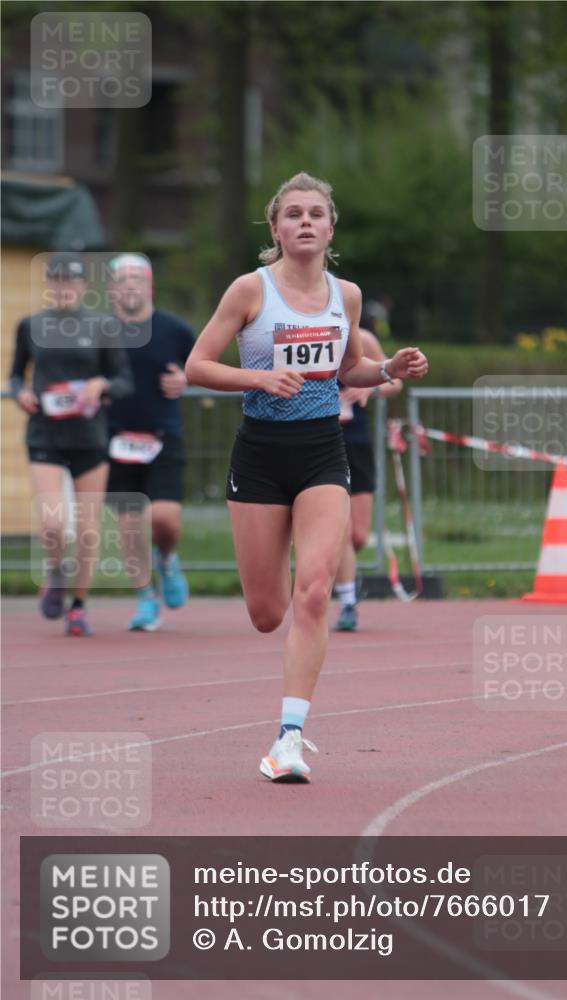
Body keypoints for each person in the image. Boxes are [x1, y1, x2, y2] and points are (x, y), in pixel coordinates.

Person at [185, 172, 428, 783]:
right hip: (261, 456)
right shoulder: (250, 290)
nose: (304, 223)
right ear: (275, 228)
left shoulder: (345, 295)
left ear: (330, 227)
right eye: (292, 214)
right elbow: (197, 365)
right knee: (268, 613)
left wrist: (389, 368)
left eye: (315, 214)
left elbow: (352, 371)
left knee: (314, 592)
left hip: (324, 450)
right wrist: (258, 378)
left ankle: (289, 737)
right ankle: (284, 609)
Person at [9, 251, 134, 636]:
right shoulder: (31, 325)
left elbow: (123, 381)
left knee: (87, 529)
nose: (64, 288)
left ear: (82, 286)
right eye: (57, 281)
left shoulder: (102, 327)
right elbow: (16, 376)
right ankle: (55, 570)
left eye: (71, 281)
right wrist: (20, 394)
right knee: (52, 521)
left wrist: (101, 385)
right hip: (45, 433)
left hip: (89, 438)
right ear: (49, 285)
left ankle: (78, 605)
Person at [105, 253, 195, 632]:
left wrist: (187, 380)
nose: (129, 285)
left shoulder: (176, 330)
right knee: (128, 526)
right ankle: (145, 599)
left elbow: (203, 367)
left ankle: (168, 560)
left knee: (164, 519)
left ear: (150, 285)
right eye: (122, 279)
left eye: (136, 278)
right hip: (115, 440)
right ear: (111, 290)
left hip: (162, 437)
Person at [333, 325, 402, 632]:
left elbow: (394, 381)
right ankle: (348, 602)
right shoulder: (303, 332)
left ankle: (346, 576)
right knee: (341, 531)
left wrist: (369, 387)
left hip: (356, 440)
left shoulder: (364, 338)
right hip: (321, 440)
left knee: (358, 535)